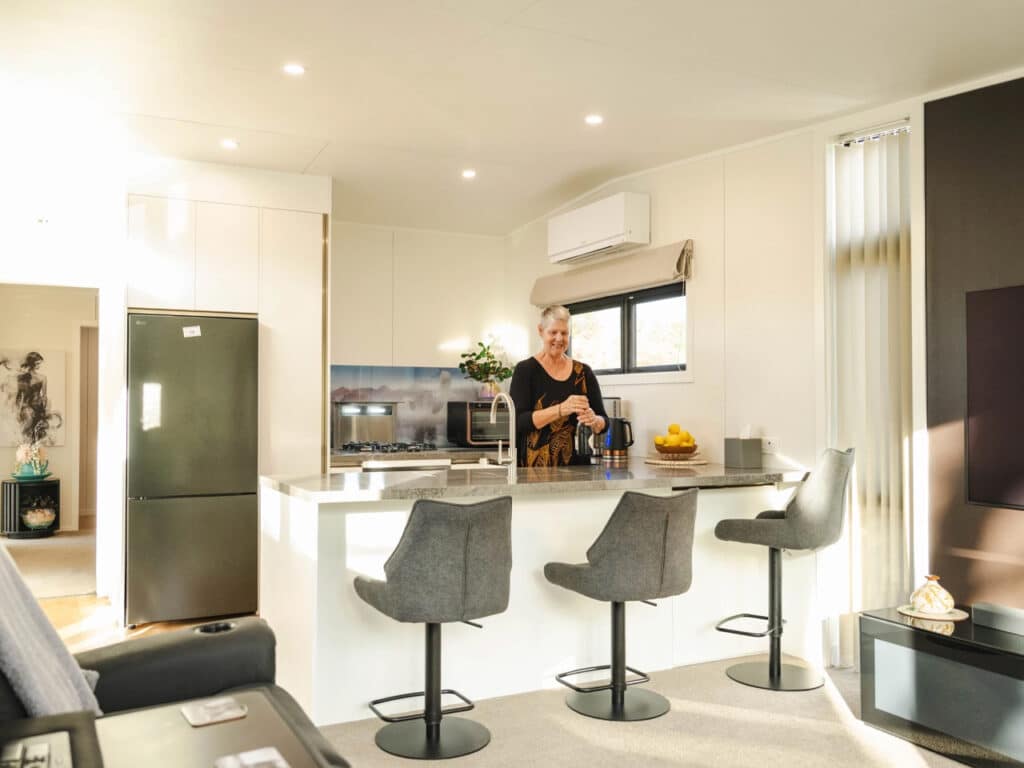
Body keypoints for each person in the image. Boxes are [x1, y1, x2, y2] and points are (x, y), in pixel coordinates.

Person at [509, 305, 607, 467]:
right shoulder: (525, 370)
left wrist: (595, 420)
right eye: (553, 332)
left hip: (578, 469)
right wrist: (561, 409)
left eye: (564, 333)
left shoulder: (583, 372)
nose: (559, 338)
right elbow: (518, 421)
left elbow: (604, 422)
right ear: (541, 331)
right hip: (532, 470)